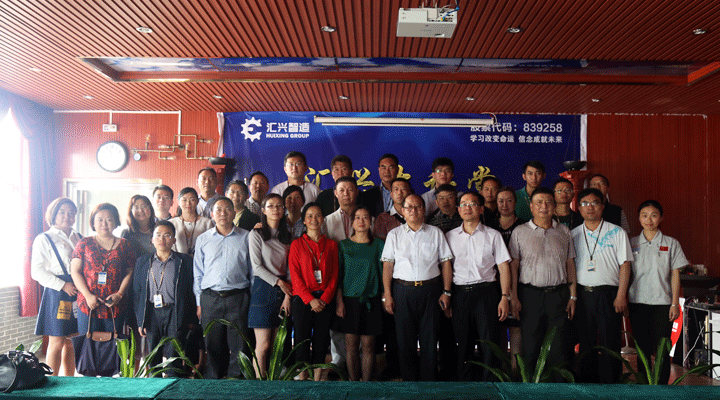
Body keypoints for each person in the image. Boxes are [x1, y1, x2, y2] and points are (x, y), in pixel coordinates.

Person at [381, 194, 453, 381]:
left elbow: (445, 263)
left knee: (430, 338)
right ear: (403, 211)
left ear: (424, 210)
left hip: (431, 290)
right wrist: (387, 294)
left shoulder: (435, 233)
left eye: (418, 207)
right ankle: (409, 382)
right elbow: (388, 266)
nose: (413, 210)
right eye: (409, 207)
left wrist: (446, 292)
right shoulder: (394, 235)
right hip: (402, 291)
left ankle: (428, 382)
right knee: (405, 340)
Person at [509, 187, 577, 378]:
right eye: (539, 202)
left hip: (558, 294)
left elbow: (570, 264)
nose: (544, 206)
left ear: (554, 207)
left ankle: (557, 387)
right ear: (531, 207)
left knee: (558, 346)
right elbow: (514, 266)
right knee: (530, 344)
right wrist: (513, 297)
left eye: (548, 202)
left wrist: (573, 296)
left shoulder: (563, 231)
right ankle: (531, 386)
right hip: (530, 295)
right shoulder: (520, 231)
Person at [446, 192, 511, 381]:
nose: (467, 208)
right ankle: (464, 384)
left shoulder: (493, 235)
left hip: (487, 293)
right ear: (459, 210)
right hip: (460, 294)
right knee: (463, 342)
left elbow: (503, 267)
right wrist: (447, 294)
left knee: (489, 342)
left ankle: (490, 384)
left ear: (481, 209)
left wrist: (504, 297)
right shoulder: (449, 236)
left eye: (472, 204)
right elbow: (445, 268)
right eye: (463, 204)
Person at [571, 188, 633, 383]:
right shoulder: (573, 234)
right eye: (585, 203)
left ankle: (611, 383)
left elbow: (625, 265)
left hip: (609, 294)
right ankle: (587, 383)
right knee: (585, 340)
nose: (590, 207)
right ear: (579, 208)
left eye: (595, 203)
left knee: (610, 340)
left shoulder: (617, 232)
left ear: (603, 206)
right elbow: (569, 267)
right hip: (582, 294)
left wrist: (621, 295)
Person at [629, 200, 688, 384]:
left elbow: (675, 274)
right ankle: (644, 384)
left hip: (663, 303)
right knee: (642, 348)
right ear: (639, 218)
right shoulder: (631, 243)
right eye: (644, 215)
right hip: (637, 302)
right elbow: (625, 273)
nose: (649, 220)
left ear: (661, 218)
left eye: (654, 215)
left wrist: (675, 303)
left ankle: (661, 385)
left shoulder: (671, 243)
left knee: (662, 347)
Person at [193, 197, 252, 379]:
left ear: (234, 213)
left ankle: (236, 380)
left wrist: (250, 297)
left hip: (238, 296)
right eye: (218, 210)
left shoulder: (246, 237)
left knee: (239, 343)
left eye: (227, 209)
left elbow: (252, 270)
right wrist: (199, 302)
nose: (223, 213)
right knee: (213, 343)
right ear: (212, 214)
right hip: (210, 298)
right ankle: (214, 380)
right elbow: (198, 273)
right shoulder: (203, 239)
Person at [132, 221, 197, 376]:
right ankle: (154, 385)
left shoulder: (185, 261)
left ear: (174, 240)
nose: (162, 239)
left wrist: (190, 318)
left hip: (175, 311)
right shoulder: (142, 262)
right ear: (152, 239)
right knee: (153, 354)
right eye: (158, 235)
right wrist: (141, 320)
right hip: (152, 312)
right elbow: (137, 293)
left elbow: (191, 291)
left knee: (174, 353)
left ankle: (173, 384)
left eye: (167, 235)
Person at [31, 197, 82, 376]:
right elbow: (36, 271)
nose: (67, 216)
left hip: (78, 291)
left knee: (72, 341)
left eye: (71, 213)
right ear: (53, 214)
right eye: (62, 212)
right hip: (57, 293)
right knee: (57, 341)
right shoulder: (44, 238)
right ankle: (51, 382)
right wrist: (62, 285)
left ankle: (69, 381)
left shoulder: (79, 237)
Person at [289, 202, 339, 381]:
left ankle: (317, 380)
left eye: (318, 215)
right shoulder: (296, 245)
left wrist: (324, 298)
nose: (314, 219)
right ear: (303, 221)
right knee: (301, 341)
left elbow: (334, 275)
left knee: (321, 340)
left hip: (325, 300)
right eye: (309, 216)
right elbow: (295, 276)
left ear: (323, 219)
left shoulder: (331, 245)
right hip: (303, 300)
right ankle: (302, 379)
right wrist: (310, 299)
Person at [70, 203, 135, 336]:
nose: (104, 224)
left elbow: (130, 272)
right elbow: (75, 271)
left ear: (116, 222)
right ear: (93, 223)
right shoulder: (84, 243)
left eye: (109, 219)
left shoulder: (125, 245)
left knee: (114, 344)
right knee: (87, 344)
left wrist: (119, 294)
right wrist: (88, 296)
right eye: (99, 219)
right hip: (88, 304)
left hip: (115, 305)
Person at [335, 206, 384, 381]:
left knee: (369, 346)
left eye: (365, 217)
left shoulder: (378, 245)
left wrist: (385, 297)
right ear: (352, 222)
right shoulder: (344, 245)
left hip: (372, 300)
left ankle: (366, 385)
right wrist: (339, 302)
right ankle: (353, 383)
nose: (361, 221)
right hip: (350, 301)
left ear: (371, 222)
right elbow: (339, 276)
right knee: (351, 346)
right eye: (357, 217)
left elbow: (384, 273)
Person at [247, 194, 293, 377]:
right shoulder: (256, 234)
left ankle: (273, 383)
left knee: (276, 345)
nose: (275, 209)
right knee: (263, 345)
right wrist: (279, 283)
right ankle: (260, 384)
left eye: (279, 206)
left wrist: (288, 295)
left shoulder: (288, 236)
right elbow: (257, 267)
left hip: (284, 290)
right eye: (271, 206)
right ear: (263, 211)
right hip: (263, 287)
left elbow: (290, 269)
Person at [487, 186, 526, 368]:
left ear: (515, 203)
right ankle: (502, 370)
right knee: (499, 326)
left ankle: (516, 370)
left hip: (519, 282)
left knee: (516, 326)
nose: (504, 205)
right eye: (501, 201)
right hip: (495, 284)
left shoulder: (524, 226)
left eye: (509, 200)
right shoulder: (489, 227)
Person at [425, 183, 461, 380]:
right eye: (441, 198)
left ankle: (464, 368)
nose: (446, 202)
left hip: (465, 280)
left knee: (464, 327)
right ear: (436, 201)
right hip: (440, 282)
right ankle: (445, 369)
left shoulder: (465, 217)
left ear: (456, 199)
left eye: (449, 197)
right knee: (443, 328)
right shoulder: (430, 223)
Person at [169, 187, 213, 256]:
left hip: (201, 260)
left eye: (192, 200)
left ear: (197, 201)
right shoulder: (172, 223)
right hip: (177, 261)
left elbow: (211, 246)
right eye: (184, 200)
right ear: (178, 202)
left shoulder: (207, 223)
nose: (188, 203)